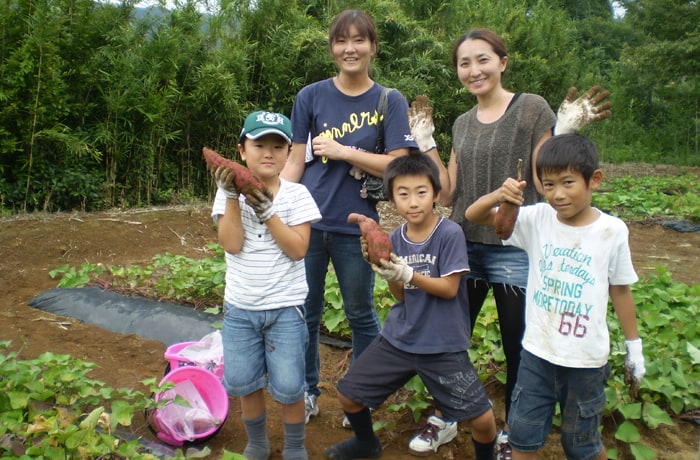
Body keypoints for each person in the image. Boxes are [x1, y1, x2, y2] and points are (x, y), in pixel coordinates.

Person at [404, 28, 611, 458]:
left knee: (521, 347)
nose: (474, 70)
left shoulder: (531, 108)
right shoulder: (462, 123)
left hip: (515, 248)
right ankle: (447, 415)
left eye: (483, 59)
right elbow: (446, 194)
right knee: (448, 340)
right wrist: (427, 144)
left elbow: (542, 180)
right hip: (463, 247)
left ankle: (513, 433)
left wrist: (562, 129)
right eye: (464, 63)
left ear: (503, 62)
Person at [465, 133, 646, 460]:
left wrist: (635, 348)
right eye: (548, 185)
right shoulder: (537, 219)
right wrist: (500, 194)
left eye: (567, 183)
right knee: (522, 437)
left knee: (582, 444)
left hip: (586, 363)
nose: (557, 195)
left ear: (595, 180)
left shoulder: (612, 231)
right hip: (536, 354)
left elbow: (620, 289)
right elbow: (474, 216)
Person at [280, 9, 418, 425]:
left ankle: (361, 394)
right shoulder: (311, 96)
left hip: (357, 228)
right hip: (307, 222)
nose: (350, 48)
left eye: (359, 40)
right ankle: (307, 391)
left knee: (360, 313)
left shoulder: (389, 100)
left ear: (373, 47)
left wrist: (343, 152)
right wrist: (273, 203)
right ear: (332, 49)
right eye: (341, 41)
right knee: (306, 311)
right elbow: (294, 161)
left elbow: (398, 165)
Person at [324, 151, 497, 460]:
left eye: (421, 192)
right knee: (348, 394)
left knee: (483, 421)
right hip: (401, 339)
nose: (413, 202)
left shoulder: (450, 234)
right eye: (403, 194)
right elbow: (401, 295)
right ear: (392, 198)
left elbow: (449, 288)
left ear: (435, 194)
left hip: (442, 344)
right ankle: (367, 443)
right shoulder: (394, 238)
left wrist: (408, 273)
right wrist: (389, 271)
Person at [211, 111, 321, 460]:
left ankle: (295, 446)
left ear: (289, 153)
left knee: (290, 386)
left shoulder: (297, 195)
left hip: (285, 309)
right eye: (259, 144)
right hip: (240, 309)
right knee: (245, 382)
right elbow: (231, 243)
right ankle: (257, 442)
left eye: (278, 145)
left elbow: (298, 249)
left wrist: (268, 211)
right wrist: (232, 197)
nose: (268, 153)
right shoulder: (227, 194)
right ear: (242, 150)